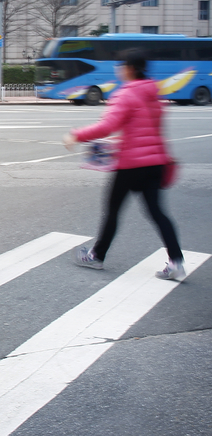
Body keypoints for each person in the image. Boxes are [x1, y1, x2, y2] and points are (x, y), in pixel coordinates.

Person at [63, 49, 186, 280]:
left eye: (121, 65)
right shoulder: (153, 95)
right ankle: (176, 261)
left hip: (131, 165)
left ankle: (96, 256)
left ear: (130, 68)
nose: (118, 69)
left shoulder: (125, 94)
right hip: (156, 162)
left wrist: (76, 135)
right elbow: (146, 130)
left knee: (112, 210)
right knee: (158, 213)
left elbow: (107, 126)